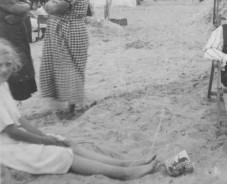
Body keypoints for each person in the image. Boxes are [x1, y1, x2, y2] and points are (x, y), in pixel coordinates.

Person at [0, 38, 159, 180]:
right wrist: (45, 141)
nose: (5, 69)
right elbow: (12, 131)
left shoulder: (4, 84)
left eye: (8, 64)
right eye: (0, 65)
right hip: (7, 149)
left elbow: (19, 119)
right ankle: (124, 173)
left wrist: (45, 136)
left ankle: (125, 164)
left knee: (66, 142)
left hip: (14, 139)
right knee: (62, 153)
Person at [39, 0, 89, 114]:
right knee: (55, 66)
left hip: (71, 30)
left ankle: (72, 108)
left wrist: (50, 6)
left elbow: (56, 7)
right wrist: (50, 6)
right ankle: (64, 105)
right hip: (56, 30)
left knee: (72, 67)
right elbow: (50, 4)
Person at [0, 0, 37, 101]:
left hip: (8, 36)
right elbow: (19, 9)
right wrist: (28, 3)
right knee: (15, 66)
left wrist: (19, 14)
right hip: (10, 37)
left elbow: (16, 11)